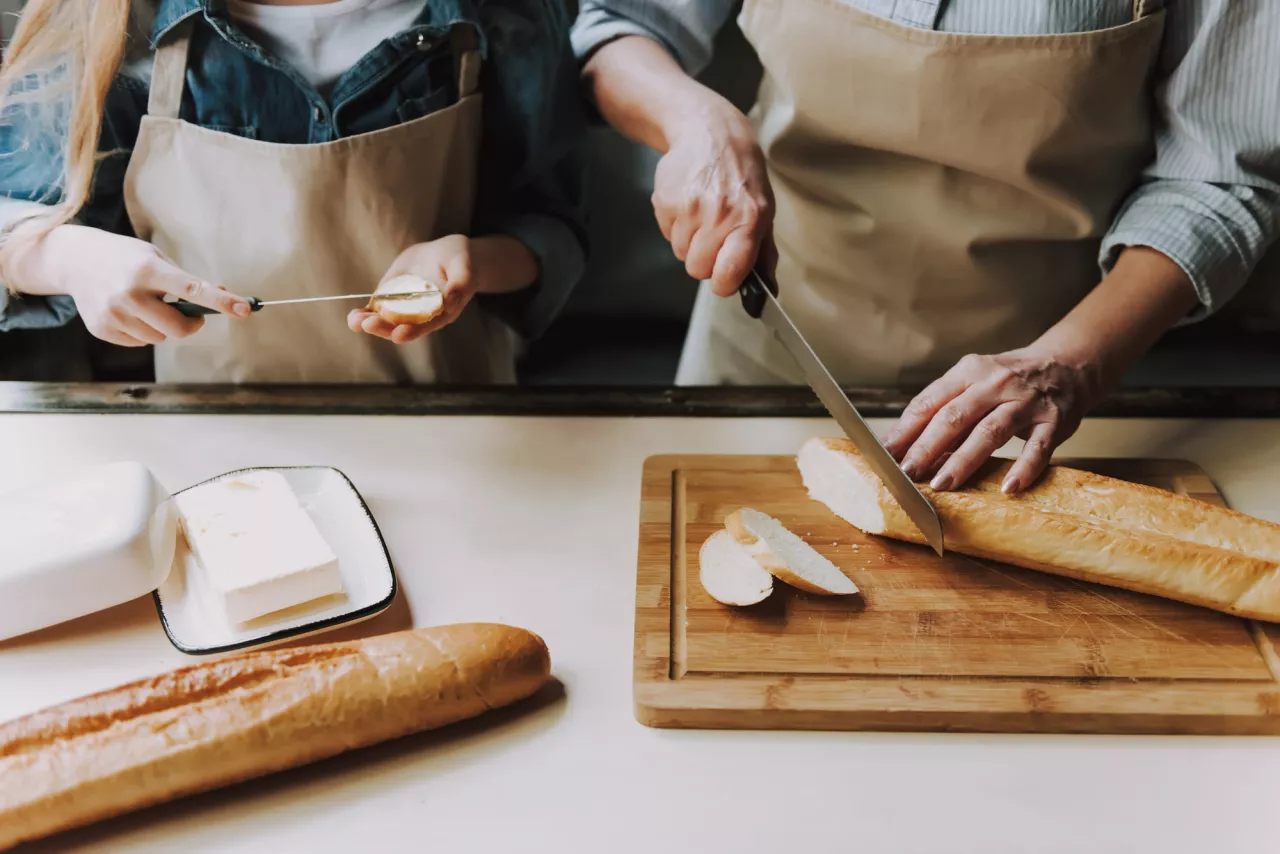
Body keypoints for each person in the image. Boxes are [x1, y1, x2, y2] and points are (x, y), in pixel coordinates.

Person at [574, 0, 1280, 492]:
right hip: (768, 334)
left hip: (1041, 397)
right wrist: (693, 118)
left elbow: (1218, 178)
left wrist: (1068, 363)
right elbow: (619, 29)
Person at [0, 0, 586, 384]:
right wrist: (70, 258)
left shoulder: (508, 14)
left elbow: (549, 228)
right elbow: (14, 235)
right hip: (212, 434)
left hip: (457, 423)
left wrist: (475, 262)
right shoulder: (106, 18)